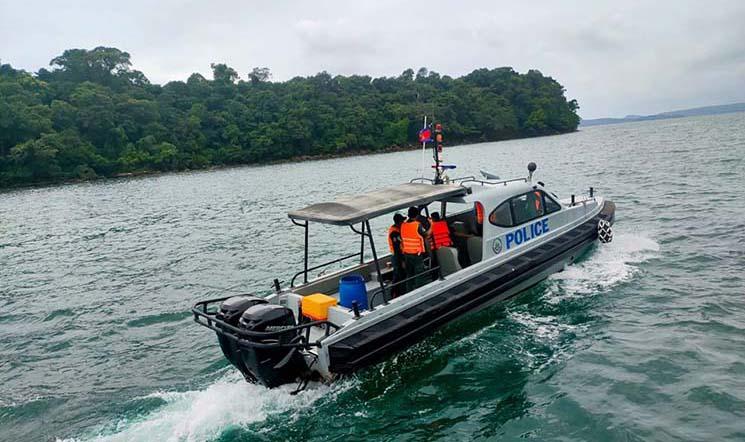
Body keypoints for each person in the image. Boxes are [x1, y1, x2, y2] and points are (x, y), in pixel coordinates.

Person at [400, 206, 430, 292]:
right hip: (416, 254)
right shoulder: (417, 225)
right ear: (416, 215)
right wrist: (431, 224)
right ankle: (420, 291)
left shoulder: (403, 225)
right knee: (419, 274)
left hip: (406, 254)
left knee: (409, 274)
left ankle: (409, 291)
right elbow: (426, 234)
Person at [387, 213, 406, 297]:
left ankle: (397, 292)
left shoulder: (396, 230)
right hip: (397, 257)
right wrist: (402, 261)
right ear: (399, 222)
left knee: (398, 274)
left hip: (398, 256)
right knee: (399, 275)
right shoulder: (394, 233)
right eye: (402, 221)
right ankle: (396, 293)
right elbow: (397, 249)